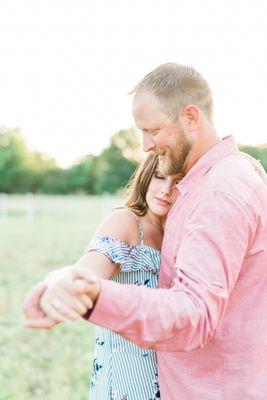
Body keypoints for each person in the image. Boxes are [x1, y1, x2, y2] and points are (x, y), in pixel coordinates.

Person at [23, 63, 267, 399]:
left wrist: (95, 294)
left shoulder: (220, 189)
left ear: (191, 118)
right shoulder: (217, 179)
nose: (146, 146)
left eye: (152, 130)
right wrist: (71, 281)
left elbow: (194, 314)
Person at [24, 152, 181, 399]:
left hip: (172, 378)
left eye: (178, 183)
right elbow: (90, 267)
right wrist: (61, 281)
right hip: (127, 381)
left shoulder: (180, 233)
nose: (166, 190)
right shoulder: (126, 222)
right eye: (159, 177)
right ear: (146, 177)